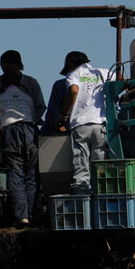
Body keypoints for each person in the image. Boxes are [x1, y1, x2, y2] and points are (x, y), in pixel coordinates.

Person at [0, 72, 38, 227]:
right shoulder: (27, 98)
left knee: (15, 174)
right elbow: (34, 118)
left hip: (10, 133)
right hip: (30, 132)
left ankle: (21, 216)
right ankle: (31, 214)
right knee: (31, 174)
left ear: (2, 86)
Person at [57, 51, 108, 194]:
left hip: (80, 124)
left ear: (71, 63)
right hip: (100, 124)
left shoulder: (73, 75)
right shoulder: (102, 72)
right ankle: (101, 193)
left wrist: (64, 114)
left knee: (81, 164)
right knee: (100, 164)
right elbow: (121, 79)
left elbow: (73, 90)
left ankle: (82, 197)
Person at [0, 50, 46, 134]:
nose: (8, 72)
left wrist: (29, 121)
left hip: (27, 129)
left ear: (19, 66)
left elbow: (40, 107)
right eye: (4, 68)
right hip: (0, 130)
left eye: (11, 68)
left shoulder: (31, 83)